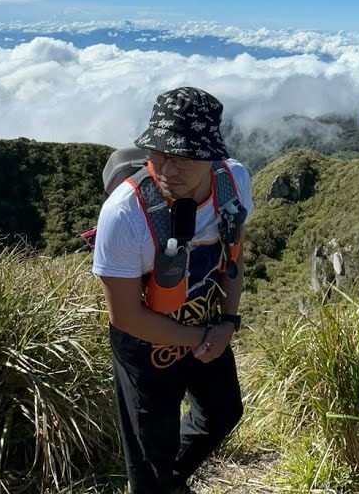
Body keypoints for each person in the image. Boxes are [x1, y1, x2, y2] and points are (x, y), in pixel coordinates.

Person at [93, 87, 255, 494]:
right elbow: (126, 316)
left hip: (204, 319)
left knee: (222, 412)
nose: (167, 168)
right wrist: (203, 337)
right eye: (159, 153)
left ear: (211, 156)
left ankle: (169, 483)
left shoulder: (233, 182)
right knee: (151, 451)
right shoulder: (124, 214)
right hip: (144, 344)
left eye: (182, 157)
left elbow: (234, 254)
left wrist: (228, 321)